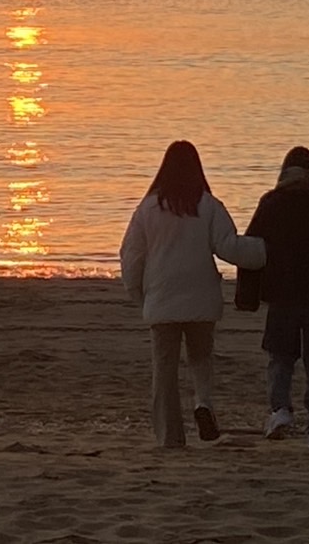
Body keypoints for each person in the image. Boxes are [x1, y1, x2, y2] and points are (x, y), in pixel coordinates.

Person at [119, 140, 265, 448]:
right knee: (201, 357)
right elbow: (229, 247)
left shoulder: (147, 208)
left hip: (161, 299)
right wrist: (266, 252)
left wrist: (137, 293)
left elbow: (132, 256)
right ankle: (203, 402)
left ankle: (170, 435)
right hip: (201, 297)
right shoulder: (209, 205)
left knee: (164, 370)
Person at [235, 145, 309, 452]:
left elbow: (252, 249)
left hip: (283, 294)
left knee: (280, 357)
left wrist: (249, 293)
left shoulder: (272, 203)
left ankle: (280, 411)